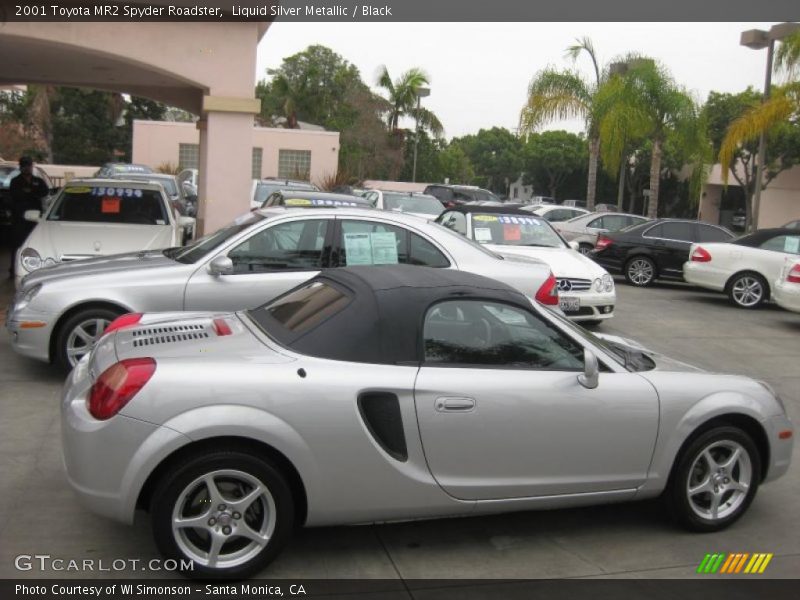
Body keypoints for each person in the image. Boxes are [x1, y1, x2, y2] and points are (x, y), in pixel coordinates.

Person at [9, 157, 48, 278]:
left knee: (35, 243)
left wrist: (30, 192)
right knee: (18, 244)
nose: (27, 168)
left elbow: (44, 192)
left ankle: (35, 269)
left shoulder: (38, 181)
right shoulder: (15, 181)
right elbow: (16, 195)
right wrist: (31, 193)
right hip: (19, 218)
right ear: (21, 167)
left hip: (35, 217)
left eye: (29, 166)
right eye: (24, 166)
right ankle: (14, 270)